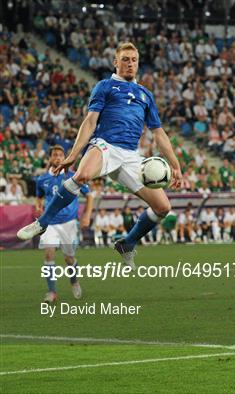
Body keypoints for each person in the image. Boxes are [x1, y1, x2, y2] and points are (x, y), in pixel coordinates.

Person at [17, 42, 182, 268]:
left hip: (131, 155)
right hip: (105, 145)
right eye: (125, 59)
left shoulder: (146, 94)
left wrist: (175, 165)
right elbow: (90, 122)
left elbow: (159, 133)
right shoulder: (105, 86)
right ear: (115, 62)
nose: (130, 64)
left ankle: (127, 243)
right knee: (82, 175)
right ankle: (43, 222)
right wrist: (73, 154)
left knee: (163, 208)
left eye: (133, 60)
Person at [36, 145, 94, 302]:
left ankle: (74, 281)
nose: (58, 157)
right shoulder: (42, 179)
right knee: (48, 254)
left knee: (69, 258)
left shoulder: (74, 176)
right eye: (54, 155)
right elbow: (39, 197)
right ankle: (52, 292)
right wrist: (39, 207)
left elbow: (89, 196)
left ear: (65, 158)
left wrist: (86, 215)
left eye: (61, 155)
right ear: (50, 158)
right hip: (50, 222)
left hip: (68, 223)